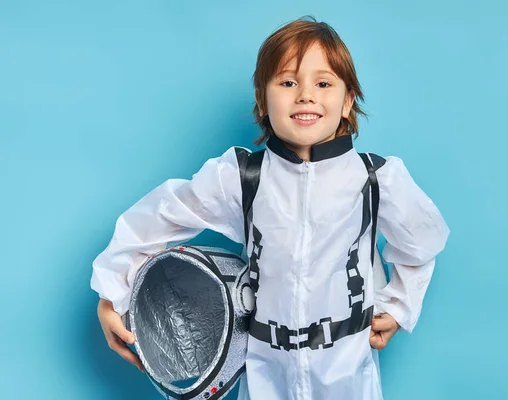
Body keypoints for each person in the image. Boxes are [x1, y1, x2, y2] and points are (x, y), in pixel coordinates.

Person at [92, 16, 450, 400]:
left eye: (324, 83)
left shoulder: (377, 179)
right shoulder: (243, 177)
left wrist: (399, 307)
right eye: (288, 82)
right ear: (263, 99)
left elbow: (423, 243)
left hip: (347, 375)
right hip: (266, 375)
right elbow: (158, 217)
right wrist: (112, 294)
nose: (306, 95)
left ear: (347, 101)